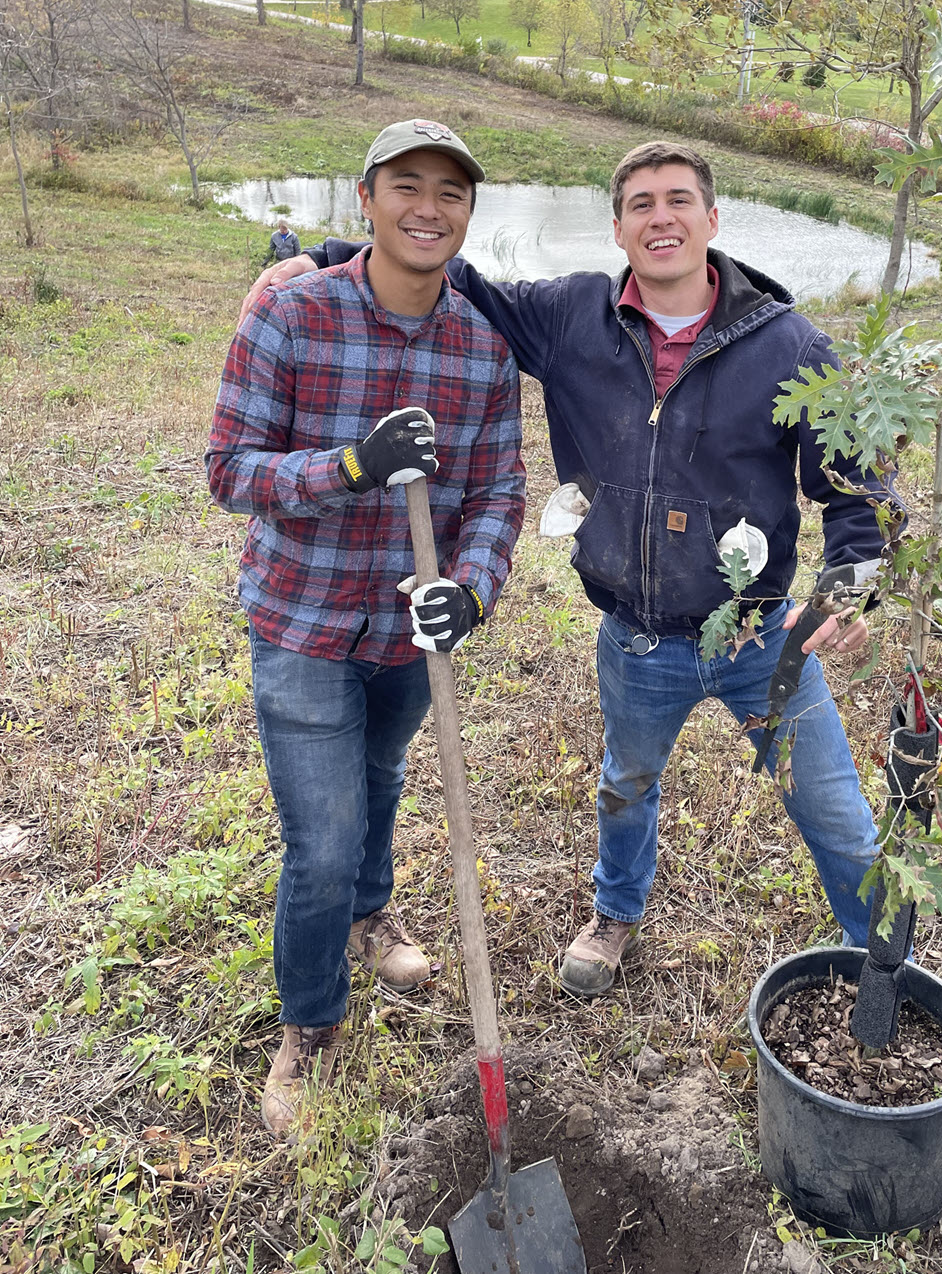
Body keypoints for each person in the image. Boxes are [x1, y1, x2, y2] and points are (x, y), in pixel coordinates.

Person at [241, 141, 891, 1001]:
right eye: (642, 205)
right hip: (636, 637)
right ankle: (615, 915)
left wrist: (851, 578)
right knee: (626, 785)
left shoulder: (793, 345)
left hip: (760, 638)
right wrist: (322, 257)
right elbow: (449, 272)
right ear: (618, 227)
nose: (662, 218)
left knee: (838, 818)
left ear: (712, 219)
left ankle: (890, 977)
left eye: (680, 201)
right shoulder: (570, 316)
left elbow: (858, 489)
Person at [211, 119, 525, 1135]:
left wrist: (470, 590)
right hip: (302, 622)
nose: (428, 207)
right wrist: (348, 466)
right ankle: (308, 1027)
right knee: (323, 836)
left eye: (451, 192)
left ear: (468, 214)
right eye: (407, 185)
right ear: (367, 199)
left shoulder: (482, 349)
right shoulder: (292, 316)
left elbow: (498, 496)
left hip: (406, 636)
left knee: (380, 783)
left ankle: (369, 912)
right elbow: (231, 470)